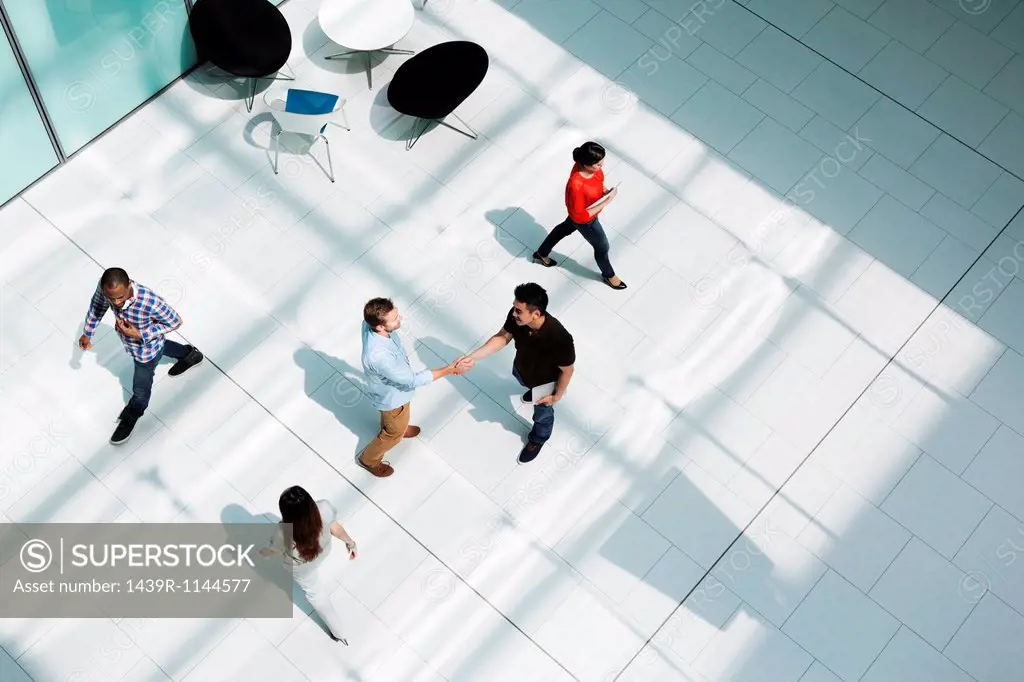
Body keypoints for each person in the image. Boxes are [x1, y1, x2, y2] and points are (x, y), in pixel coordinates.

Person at [78, 267, 203, 444]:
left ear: (129, 285)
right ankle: (190, 355)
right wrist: (88, 332)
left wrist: (141, 334)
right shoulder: (105, 287)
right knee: (163, 347)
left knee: (140, 390)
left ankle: (132, 414)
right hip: (143, 345)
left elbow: (176, 321)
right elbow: (98, 306)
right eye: (111, 298)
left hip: (146, 353)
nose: (116, 302)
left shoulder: (149, 301)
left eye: (120, 297)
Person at [457, 283, 575, 464]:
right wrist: (473, 358)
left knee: (542, 415)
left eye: (519, 310)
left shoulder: (560, 339)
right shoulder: (518, 318)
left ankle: (539, 439)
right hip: (523, 369)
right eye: (514, 307)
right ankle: (530, 390)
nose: (514, 313)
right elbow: (502, 337)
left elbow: (567, 370)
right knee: (523, 381)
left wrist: (556, 396)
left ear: (535, 313)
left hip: (545, 384)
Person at [358, 297, 467, 477]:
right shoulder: (379, 356)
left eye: (396, 313)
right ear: (379, 326)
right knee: (393, 432)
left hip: (393, 393)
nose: (400, 319)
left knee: (397, 418)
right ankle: (370, 458)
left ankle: (396, 427)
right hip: (393, 399)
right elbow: (411, 380)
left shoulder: (370, 325)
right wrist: (449, 369)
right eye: (394, 319)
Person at [259, 486, 357, 644]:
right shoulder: (324, 507)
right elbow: (335, 528)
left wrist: (260, 554)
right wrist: (350, 543)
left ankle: (339, 632)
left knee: (316, 595)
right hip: (323, 551)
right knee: (317, 595)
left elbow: (273, 550)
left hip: (302, 567)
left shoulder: (283, 531)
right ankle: (339, 633)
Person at [533, 141, 627, 290]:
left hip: (579, 213)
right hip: (586, 221)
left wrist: (604, 191)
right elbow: (581, 216)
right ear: (585, 164)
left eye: (602, 163)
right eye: (598, 165)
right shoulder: (576, 185)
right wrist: (607, 201)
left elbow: (597, 182)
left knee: (563, 229)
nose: (601, 167)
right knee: (602, 247)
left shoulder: (587, 168)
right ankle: (609, 275)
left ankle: (541, 253)